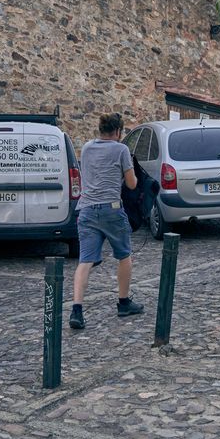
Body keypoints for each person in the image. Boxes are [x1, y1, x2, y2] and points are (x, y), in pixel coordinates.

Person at [70, 113, 144, 329]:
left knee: (85, 261)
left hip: (86, 210)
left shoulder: (86, 148)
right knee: (124, 255)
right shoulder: (121, 149)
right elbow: (131, 184)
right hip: (111, 209)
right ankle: (123, 302)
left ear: (100, 130)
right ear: (118, 132)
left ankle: (77, 310)